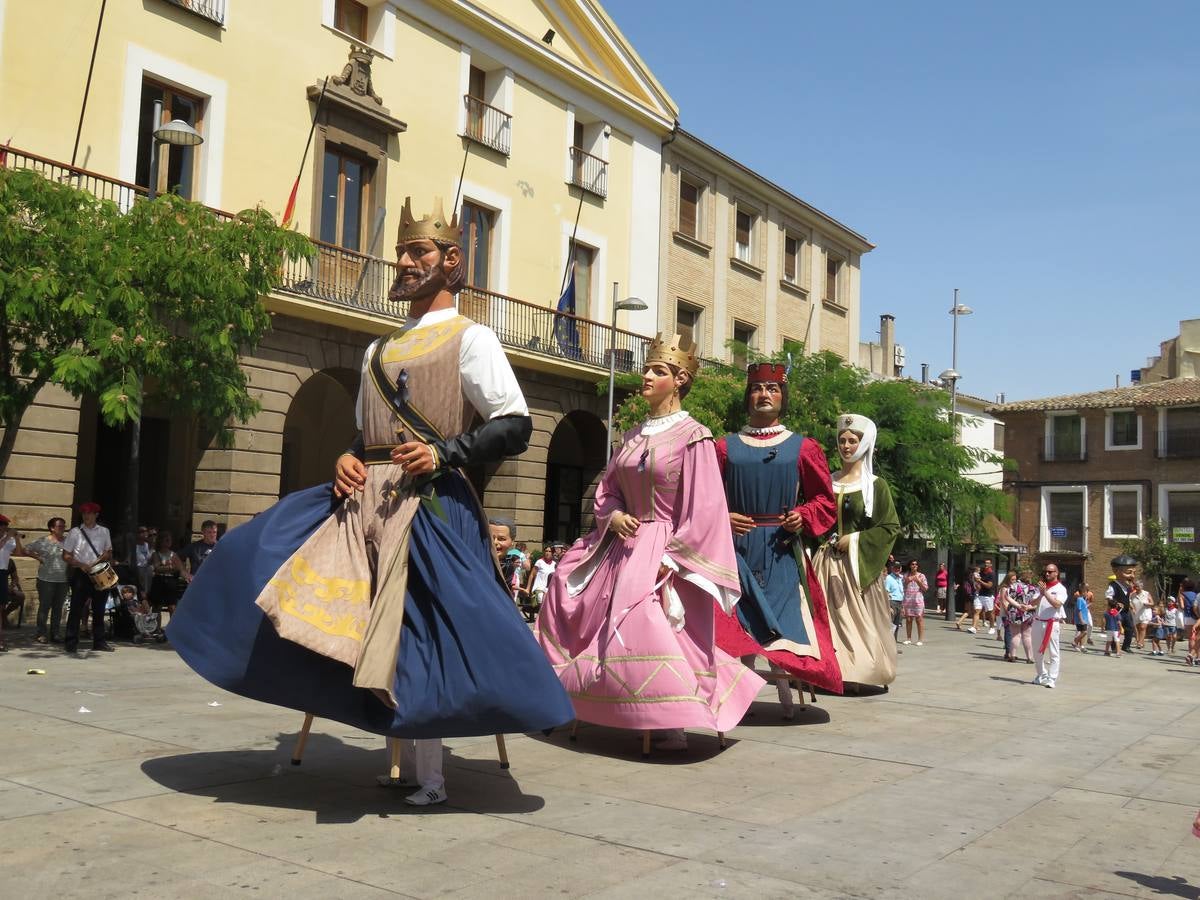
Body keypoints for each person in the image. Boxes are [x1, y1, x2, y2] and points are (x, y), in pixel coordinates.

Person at [169, 196, 572, 807]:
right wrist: (347, 455)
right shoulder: (376, 350)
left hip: (433, 503)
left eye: (419, 252)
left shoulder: (473, 338)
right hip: (366, 502)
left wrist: (445, 453)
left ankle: (431, 774)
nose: (407, 262)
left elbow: (514, 425)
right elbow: (366, 433)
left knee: (422, 628)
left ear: (451, 261)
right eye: (404, 253)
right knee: (266, 553)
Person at [536, 333, 765, 752]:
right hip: (621, 541)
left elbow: (706, 506)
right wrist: (613, 515)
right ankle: (580, 697)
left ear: (678, 380)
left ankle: (671, 716)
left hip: (665, 543)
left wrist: (674, 557)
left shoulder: (694, 435)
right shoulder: (632, 435)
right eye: (647, 368)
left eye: (657, 371)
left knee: (645, 619)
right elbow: (608, 489)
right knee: (564, 590)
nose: (645, 376)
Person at [711, 361, 843, 711]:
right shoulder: (723, 447)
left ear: (783, 397)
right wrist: (721, 517)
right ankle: (732, 697)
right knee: (736, 621)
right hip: (734, 549)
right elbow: (702, 497)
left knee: (785, 620)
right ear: (747, 396)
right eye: (757, 388)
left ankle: (786, 692)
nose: (764, 394)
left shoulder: (804, 448)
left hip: (781, 549)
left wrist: (803, 515)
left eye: (772, 389)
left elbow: (824, 501)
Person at [814, 413, 901, 688]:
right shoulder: (827, 482)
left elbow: (889, 527)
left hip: (857, 566)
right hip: (824, 562)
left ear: (865, 444)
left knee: (857, 619)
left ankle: (858, 671)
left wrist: (854, 540)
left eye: (853, 440)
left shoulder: (876, 486)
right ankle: (824, 670)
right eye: (842, 440)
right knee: (823, 615)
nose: (846, 445)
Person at [61, 502, 117, 655]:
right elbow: (66, 555)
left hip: (99, 573)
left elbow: (108, 551)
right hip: (81, 574)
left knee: (99, 609)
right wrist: (80, 564)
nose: (86, 516)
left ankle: (99, 641)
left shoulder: (104, 531)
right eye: (84, 513)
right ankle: (71, 642)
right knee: (76, 609)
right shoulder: (75, 532)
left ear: (96, 515)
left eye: (90, 513)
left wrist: (101, 559)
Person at [26, 517, 69, 644]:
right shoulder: (43, 541)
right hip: (46, 579)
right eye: (59, 526)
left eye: (63, 526)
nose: (62, 528)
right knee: (44, 607)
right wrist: (38, 558)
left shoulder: (67, 541)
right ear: (52, 528)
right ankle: (41, 633)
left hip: (63, 579)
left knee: (58, 607)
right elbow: (26, 549)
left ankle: (55, 633)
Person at [1032, 562, 1067, 688]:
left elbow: (1057, 604)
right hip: (1037, 621)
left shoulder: (1061, 589)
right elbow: (1033, 602)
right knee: (1036, 651)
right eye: (1046, 571)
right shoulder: (1042, 587)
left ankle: (1052, 678)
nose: (1047, 573)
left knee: (1053, 652)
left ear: (1056, 573)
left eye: (1050, 571)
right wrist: (1041, 594)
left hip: (1052, 623)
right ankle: (1041, 674)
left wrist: (1045, 593)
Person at [0, 515, 27, 651]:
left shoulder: (9, 540)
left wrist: (16, 538)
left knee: (1, 608)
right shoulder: (4, 539)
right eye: (2, 525)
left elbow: (19, 553)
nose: (4, 528)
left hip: (2, 574)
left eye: (5, 525)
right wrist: (6, 537)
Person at [149, 532, 189, 616]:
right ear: (160, 541)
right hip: (159, 581)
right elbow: (157, 568)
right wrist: (171, 567)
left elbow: (181, 569)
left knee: (172, 607)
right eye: (166, 540)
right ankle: (156, 628)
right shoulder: (156, 554)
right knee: (157, 607)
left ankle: (172, 628)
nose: (168, 542)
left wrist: (189, 578)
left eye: (169, 540)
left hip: (171, 582)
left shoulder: (173, 554)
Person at [1106, 555, 1137, 655]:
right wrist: (1115, 603)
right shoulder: (1113, 585)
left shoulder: (1128, 586)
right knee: (1116, 629)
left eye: (1133, 573)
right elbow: (1108, 597)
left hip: (1126, 611)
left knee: (1130, 628)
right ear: (1116, 571)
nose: (1132, 575)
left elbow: (1128, 597)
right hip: (1117, 611)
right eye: (1128, 572)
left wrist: (1130, 605)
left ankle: (1126, 646)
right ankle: (1114, 647)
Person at [524, 544, 555, 622]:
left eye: (549, 551)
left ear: (552, 553)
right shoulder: (539, 562)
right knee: (542, 598)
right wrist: (528, 588)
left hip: (549, 589)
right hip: (539, 588)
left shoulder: (554, 564)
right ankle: (542, 620)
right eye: (546, 551)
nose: (547, 553)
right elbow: (532, 575)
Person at [902, 560, 928, 646]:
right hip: (908, 600)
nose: (914, 565)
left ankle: (920, 639)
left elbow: (925, 589)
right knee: (908, 619)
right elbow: (901, 587)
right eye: (912, 564)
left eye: (916, 564)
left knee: (919, 619)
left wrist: (918, 581)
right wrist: (907, 581)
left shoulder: (921, 576)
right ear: (910, 566)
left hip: (918, 600)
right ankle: (908, 638)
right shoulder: (906, 575)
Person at [975, 559, 996, 635]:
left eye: (988, 563)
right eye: (985, 563)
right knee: (977, 610)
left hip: (988, 595)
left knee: (990, 612)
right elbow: (979, 585)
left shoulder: (991, 574)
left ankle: (992, 627)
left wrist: (980, 581)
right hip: (980, 594)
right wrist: (977, 584)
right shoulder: (981, 572)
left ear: (991, 565)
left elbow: (989, 585)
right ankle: (974, 627)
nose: (986, 565)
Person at [955, 566, 979, 631]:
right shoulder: (972, 576)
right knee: (974, 611)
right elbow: (974, 585)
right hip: (972, 595)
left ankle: (960, 622)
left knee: (969, 611)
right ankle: (961, 622)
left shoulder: (966, 576)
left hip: (966, 595)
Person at [884, 562, 904, 640]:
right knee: (891, 624)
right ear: (892, 568)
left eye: (898, 568)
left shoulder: (900, 578)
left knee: (897, 625)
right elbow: (886, 591)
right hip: (892, 602)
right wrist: (888, 605)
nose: (897, 569)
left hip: (899, 602)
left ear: (901, 569)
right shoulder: (889, 578)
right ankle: (888, 645)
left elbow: (901, 592)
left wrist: (903, 607)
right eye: (895, 568)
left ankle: (894, 645)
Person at [1072, 586, 1091, 652]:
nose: (1087, 593)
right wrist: (1081, 620)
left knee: (1082, 632)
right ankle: (1075, 642)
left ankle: (1079, 646)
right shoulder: (1079, 599)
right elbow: (1079, 610)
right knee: (1084, 632)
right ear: (1082, 592)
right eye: (1086, 592)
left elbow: (1083, 608)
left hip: (1084, 619)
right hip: (1081, 620)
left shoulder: (1082, 599)